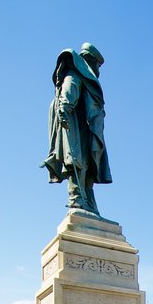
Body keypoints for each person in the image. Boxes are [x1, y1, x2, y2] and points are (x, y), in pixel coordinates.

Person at [43, 43, 112, 216]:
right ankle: (76, 200)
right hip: (76, 128)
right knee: (76, 162)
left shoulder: (84, 79)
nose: (98, 70)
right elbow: (68, 92)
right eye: (97, 65)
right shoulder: (75, 74)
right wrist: (65, 109)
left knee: (89, 167)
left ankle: (88, 203)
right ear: (91, 61)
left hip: (87, 131)